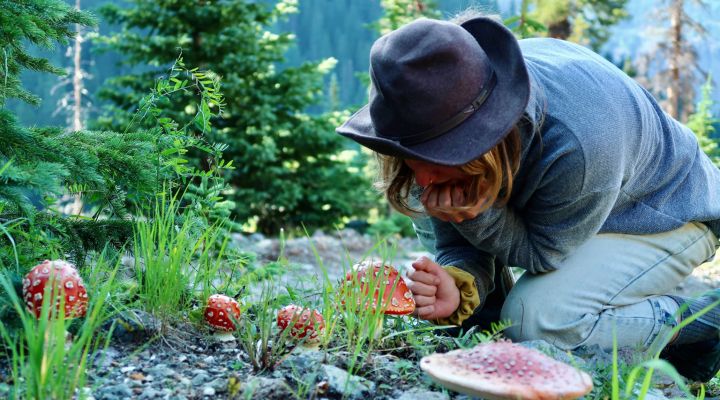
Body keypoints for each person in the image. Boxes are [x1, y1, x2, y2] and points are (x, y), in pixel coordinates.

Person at [336, 12, 720, 382]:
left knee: (537, 321)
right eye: (411, 155)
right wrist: (459, 282)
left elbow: (542, 254)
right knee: (488, 297)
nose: (422, 176)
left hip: (664, 210)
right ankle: (490, 321)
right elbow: (465, 238)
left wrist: (477, 215)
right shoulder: (450, 95)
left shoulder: (579, 143)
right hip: (578, 206)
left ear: (483, 135)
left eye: (439, 155)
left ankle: (704, 325)